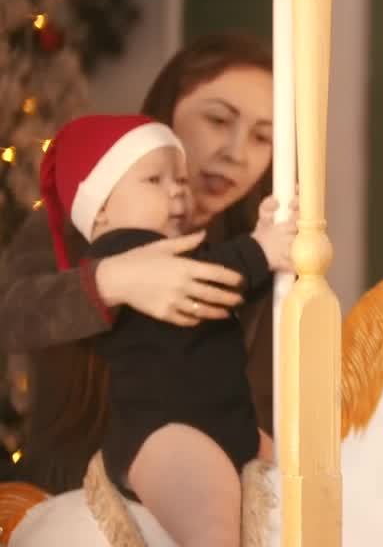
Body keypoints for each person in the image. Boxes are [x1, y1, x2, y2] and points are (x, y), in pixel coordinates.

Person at [0, 34, 276, 494]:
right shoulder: (76, 222)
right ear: (166, 114)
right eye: (217, 119)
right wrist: (110, 281)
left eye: (262, 136)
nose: (236, 151)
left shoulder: (255, 256)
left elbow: (267, 402)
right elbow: (9, 316)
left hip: (212, 501)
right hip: (73, 498)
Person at [38, 113, 294, 545]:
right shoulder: (120, 255)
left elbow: (221, 287)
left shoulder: (188, 255)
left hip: (229, 423)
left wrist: (266, 250)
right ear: (101, 211)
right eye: (154, 180)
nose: (177, 190)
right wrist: (258, 251)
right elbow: (215, 274)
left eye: (179, 178)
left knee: (300, 483)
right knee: (213, 525)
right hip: (167, 432)